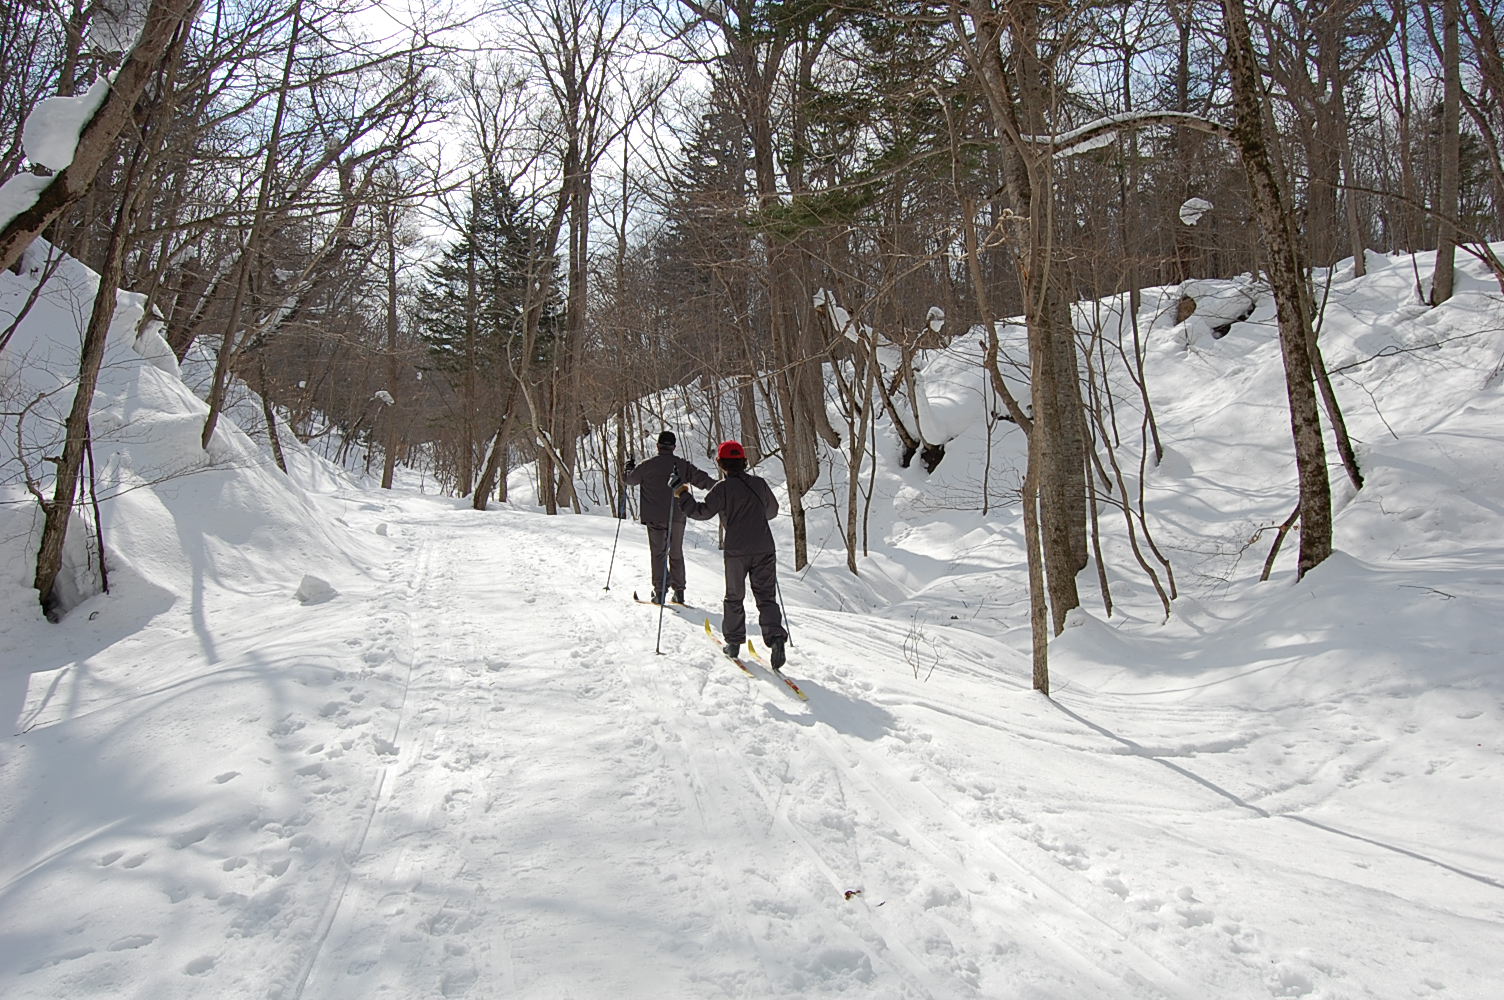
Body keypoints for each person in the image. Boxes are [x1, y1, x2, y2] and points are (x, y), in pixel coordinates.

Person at [672, 440, 788, 669]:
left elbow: (700, 512)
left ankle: (734, 643)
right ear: (744, 461)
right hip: (764, 547)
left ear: (721, 464)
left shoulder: (722, 489)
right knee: (766, 597)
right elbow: (772, 511)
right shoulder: (759, 484)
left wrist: (681, 491)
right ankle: (775, 639)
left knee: (734, 596)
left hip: (737, 551)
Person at [624, 430, 714, 604]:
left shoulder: (647, 465)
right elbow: (704, 481)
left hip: (654, 517)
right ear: (674, 447)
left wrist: (628, 469)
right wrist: (725, 486)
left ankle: (659, 592)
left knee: (658, 554)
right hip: (678, 515)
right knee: (676, 552)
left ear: (658, 446)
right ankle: (679, 591)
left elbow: (630, 480)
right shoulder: (682, 465)